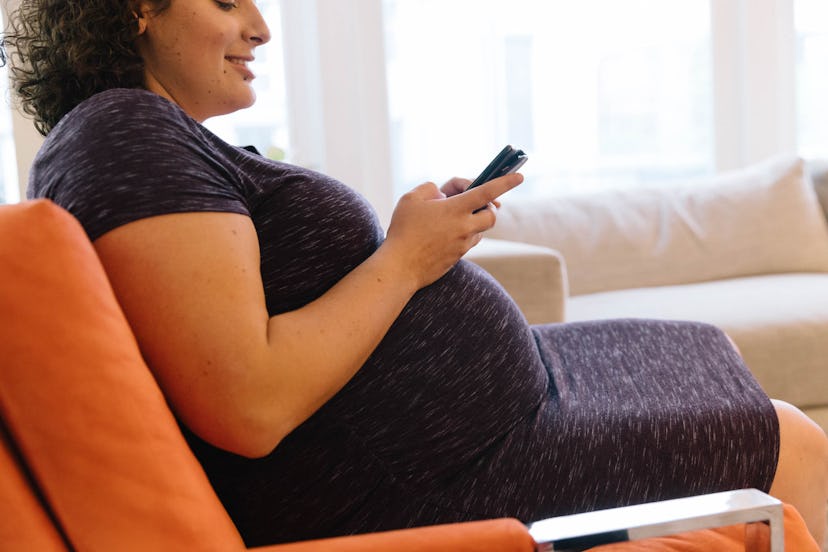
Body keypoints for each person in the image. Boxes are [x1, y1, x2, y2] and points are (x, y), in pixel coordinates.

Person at [3, 0, 828, 546]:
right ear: (138, 8)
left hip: (493, 422)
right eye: (225, 1)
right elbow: (246, 402)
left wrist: (419, 243)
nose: (258, 26)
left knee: (698, 349)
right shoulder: (123, 132)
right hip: (432, 478)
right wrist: (406, 257)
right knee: (789, 436)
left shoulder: (144, 140)